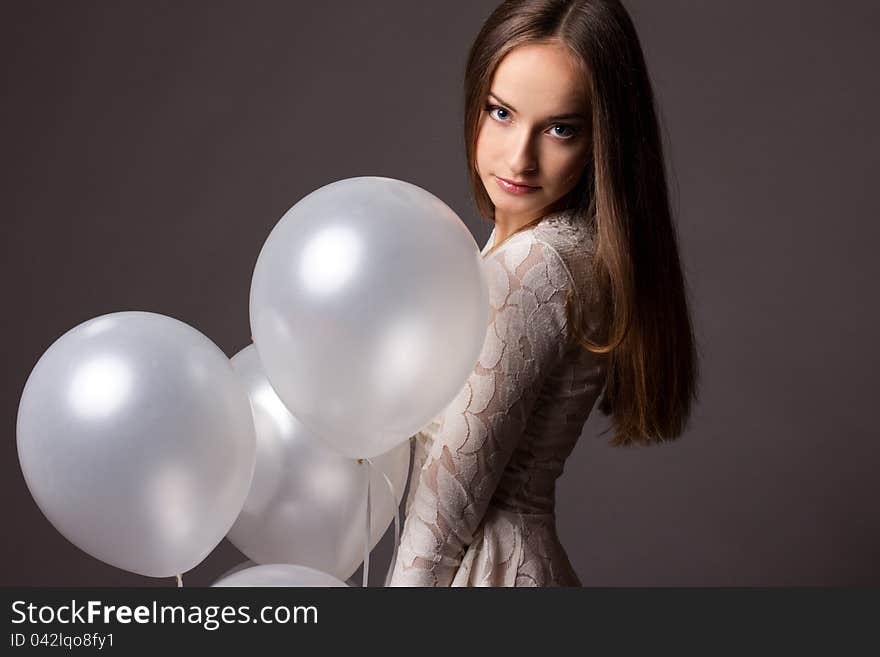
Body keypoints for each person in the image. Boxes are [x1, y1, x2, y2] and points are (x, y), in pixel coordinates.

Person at [387, 0, 699, 587]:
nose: (519, 157)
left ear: (603, 140)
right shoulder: (561, 250)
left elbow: (439, 527)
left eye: (560, 129)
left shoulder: (533, 267)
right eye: (501, 113)